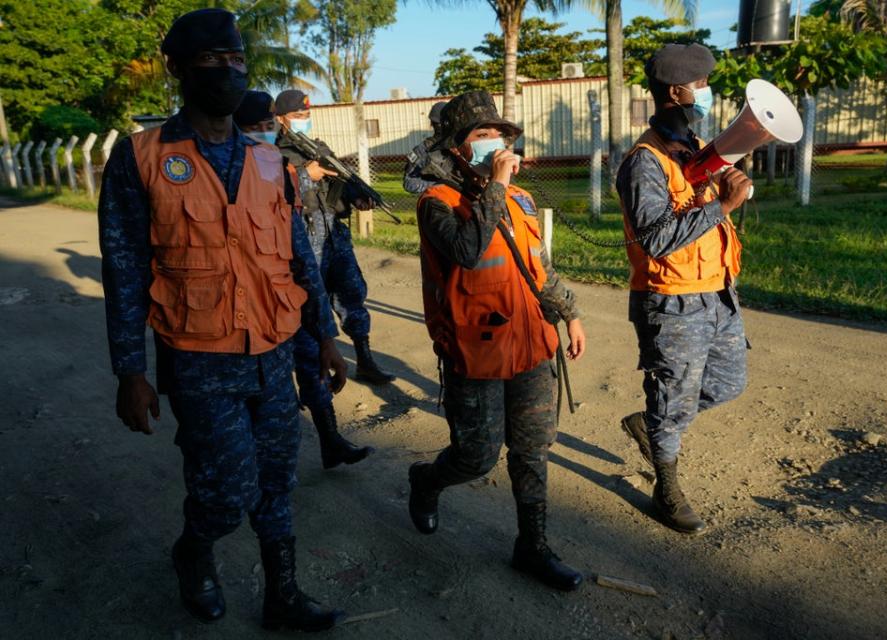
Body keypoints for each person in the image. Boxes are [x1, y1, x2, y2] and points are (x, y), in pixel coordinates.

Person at [98, 9, 349, 631]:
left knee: (276, 479)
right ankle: (193, 552)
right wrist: (130, 371)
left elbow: (298, 258)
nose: (229, 71)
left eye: (237, 59)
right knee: (225, 492)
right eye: (213, 59)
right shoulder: (141, 158)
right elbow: (124, 272)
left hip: (274, 350)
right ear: (177, 69)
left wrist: (324, 336)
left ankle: (282, 594)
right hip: (198, 357)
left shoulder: (270, 162)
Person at [406, 91, 586, 592]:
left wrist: (569, 314)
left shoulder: (521, 200)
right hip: (475, 353)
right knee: (476, 457)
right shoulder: (435, 203)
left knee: (532, 451)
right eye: (480, 136)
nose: (494, 143)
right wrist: (498, 185)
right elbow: (468, 250)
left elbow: (539, 269)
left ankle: (533, 548)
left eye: (499, 134)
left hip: (531, 347)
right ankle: (426, 480)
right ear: (458, 149)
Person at [616, 43, 753, 535]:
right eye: (701, 84)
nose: (707, 92)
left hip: (717, 293)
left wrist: (725, 185)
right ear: (676, 91)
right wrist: (725, 206)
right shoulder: (644, 162)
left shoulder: (693, 149)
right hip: (672, 302)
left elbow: (696, 213)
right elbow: (655, 238)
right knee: (673, 397)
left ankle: (652, 423)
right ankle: (666, 485)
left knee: (729, 383)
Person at [234, 90, 374, 470]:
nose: (263, 133)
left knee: (313, 350)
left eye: (266, 126)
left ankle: (330, 438)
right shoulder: (236, 170)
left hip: (295, 270)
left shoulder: (302, 149)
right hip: (249, 301)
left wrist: (351, 193)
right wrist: (304, 176)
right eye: (254, 128)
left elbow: (304, 237)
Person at [272, 89, 395, 387]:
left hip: (334, 234)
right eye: (298, 116)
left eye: (307, 115)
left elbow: (342, 178)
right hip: (304, 233)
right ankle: (316, 371)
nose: (304, 120)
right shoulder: (272, 153)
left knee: (352, 294)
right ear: (280, 119)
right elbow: (274, 192)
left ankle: (364, 359)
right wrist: (304, 173)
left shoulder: (318, 147)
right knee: (311, 302)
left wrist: (358, 198)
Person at [403, 100, 447, 194]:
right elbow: (409, 183)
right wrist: (438, 185)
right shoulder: (422, 150)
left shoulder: (461, 145)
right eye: (437, 123)